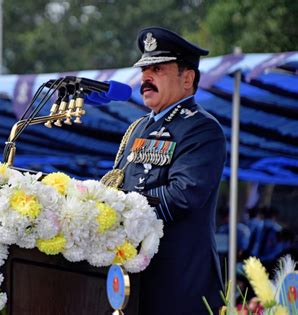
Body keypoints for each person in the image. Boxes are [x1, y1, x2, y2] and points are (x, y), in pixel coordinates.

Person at [101, 26, 226, 314]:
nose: (146, 77)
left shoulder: (202, 129)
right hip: (135, 281)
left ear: (187, 78)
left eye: (157, 69)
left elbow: (184, 194)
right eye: (145, 69)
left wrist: (120, 207)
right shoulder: (138, 127)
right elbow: (117, 183)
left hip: (179, 283)